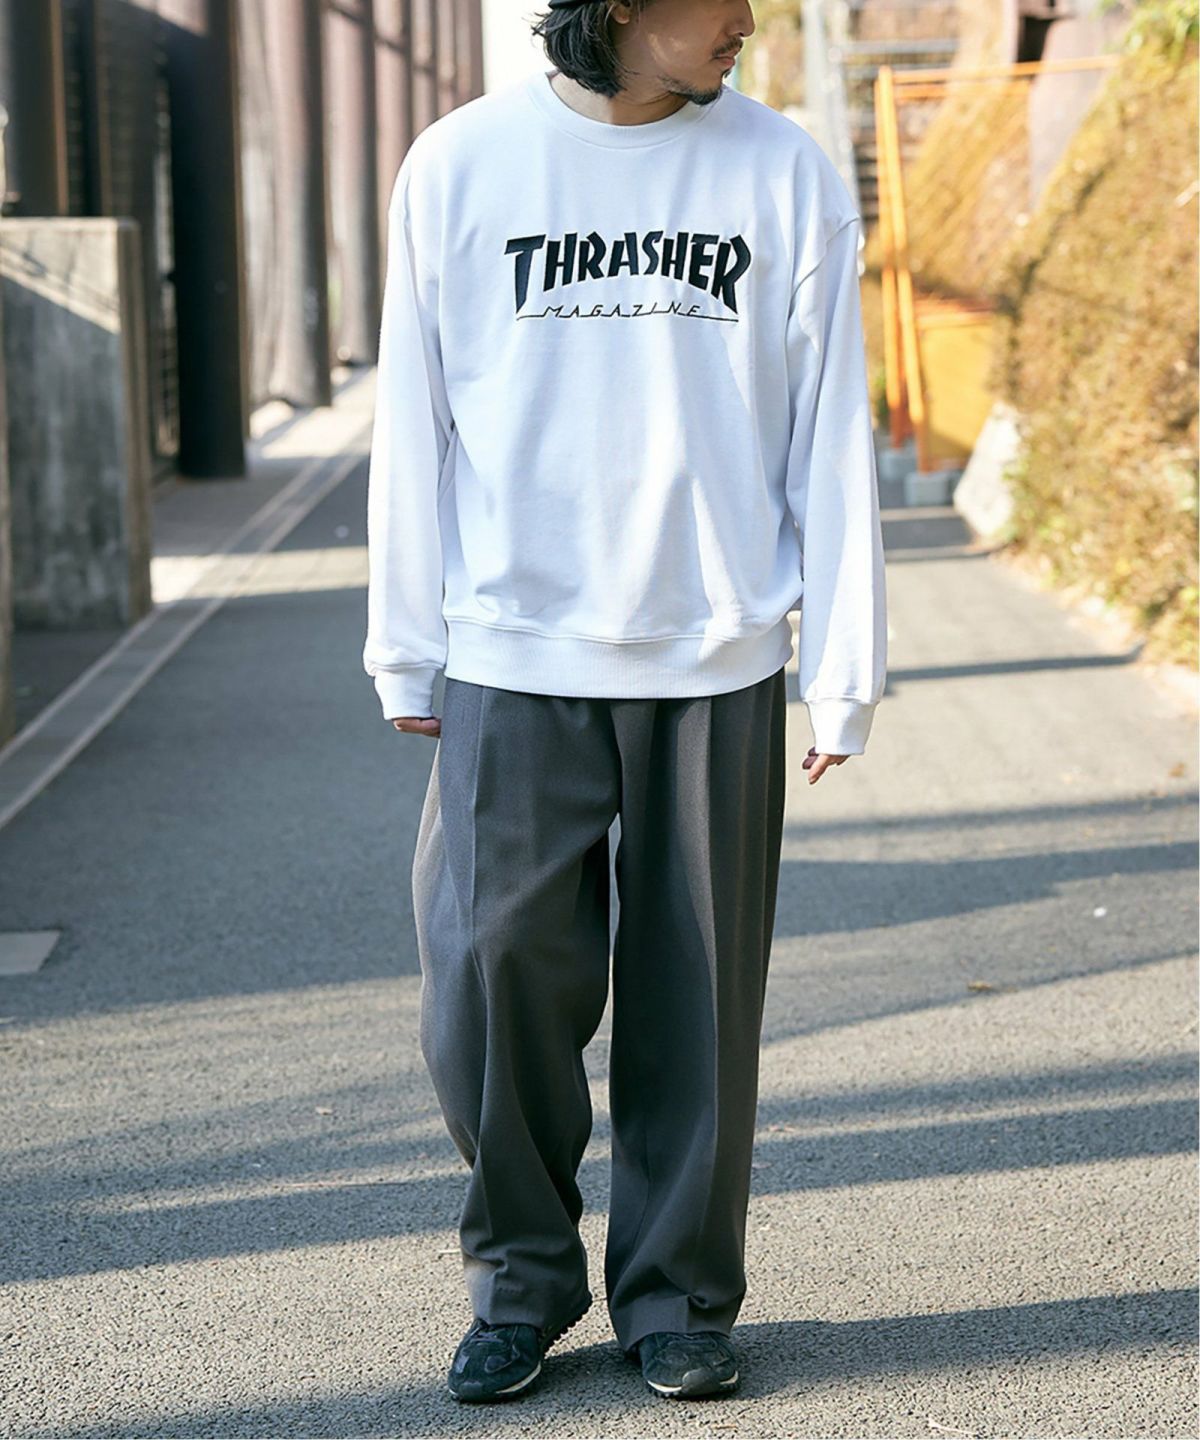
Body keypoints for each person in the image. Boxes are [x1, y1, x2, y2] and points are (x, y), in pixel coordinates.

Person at [362, 0, 887, 1405]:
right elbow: (413, 415)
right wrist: (404, 644)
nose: (747, 20)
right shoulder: (461, 164)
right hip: (512, 648)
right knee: (486, 984)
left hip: (715, 653)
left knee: (696, 1005)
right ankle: (521, 1283)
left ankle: (678, 1296)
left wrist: (842, 665)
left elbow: (831, 427)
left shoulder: (782, 170)